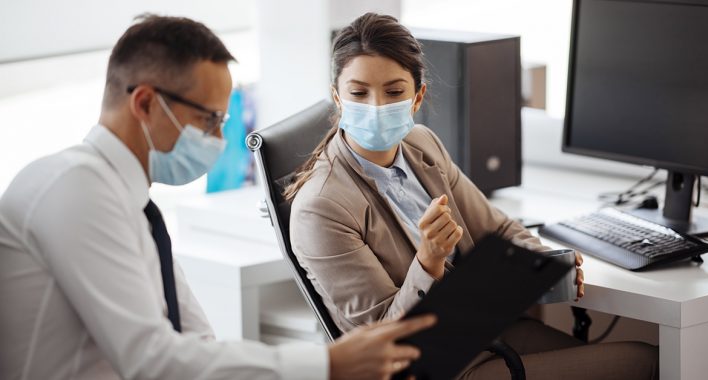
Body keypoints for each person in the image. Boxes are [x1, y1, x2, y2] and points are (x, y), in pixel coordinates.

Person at [0, 15, 437, 380]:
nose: (217, 137)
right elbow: (151, 360)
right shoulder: (76, 191)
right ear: (146, 103)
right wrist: (325, 364)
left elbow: (195, 342)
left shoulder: (131, 204)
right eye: (209, 119)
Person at [288, 12, 659, 379]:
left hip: (483, 334)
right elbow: (384, 342)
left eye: (394, 91)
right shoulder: (320, 208)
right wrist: (429, 261)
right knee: (647, 361)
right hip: (433, 368)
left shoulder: (422, 144)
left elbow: (495, 228)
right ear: (337, 97)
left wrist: (546, 259)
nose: (376, 106)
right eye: (358, 92)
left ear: (417, 98)